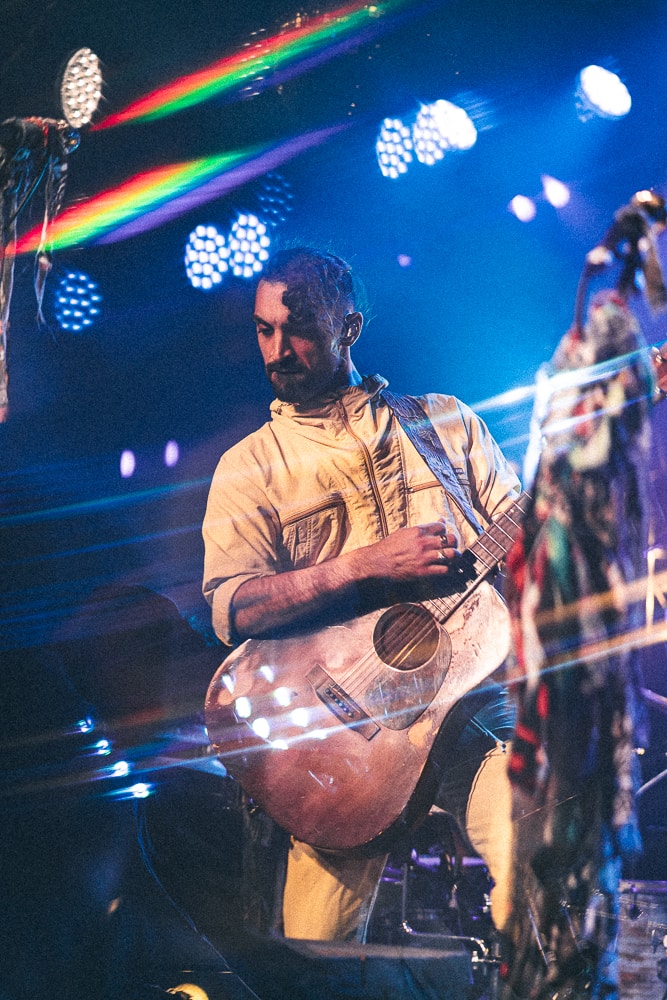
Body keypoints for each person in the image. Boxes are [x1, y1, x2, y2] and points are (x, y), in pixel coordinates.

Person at [202, 246, 522, 943]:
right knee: (314, 960)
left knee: (537, 866)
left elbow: (527, 543)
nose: (277, 351)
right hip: (336, 757)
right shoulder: (250, 466)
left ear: (348, 327)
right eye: (264, 330)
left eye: (299, 330)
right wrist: (365, 567)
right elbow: (236, 608)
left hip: (464, 714)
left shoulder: (445, 423)